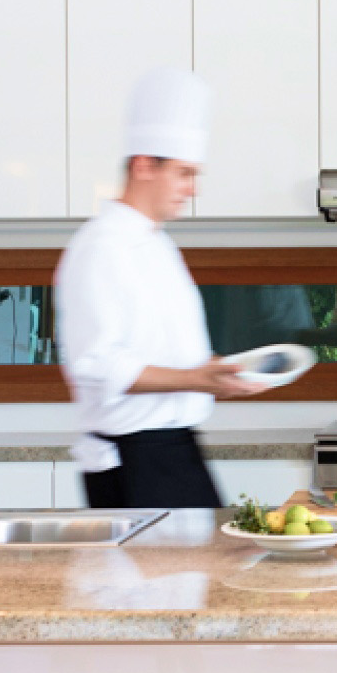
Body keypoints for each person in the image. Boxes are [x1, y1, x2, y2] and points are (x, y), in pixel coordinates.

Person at [54, 67, 267, 508]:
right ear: (143, 166)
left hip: (176, 452)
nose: (192, 188)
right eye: (184, 173)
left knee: (207, 574)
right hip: (134, 463)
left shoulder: (159, 246)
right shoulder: (101, 248)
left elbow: (167, 348)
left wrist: (220, 373)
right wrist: (198, 379)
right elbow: (96, 365)